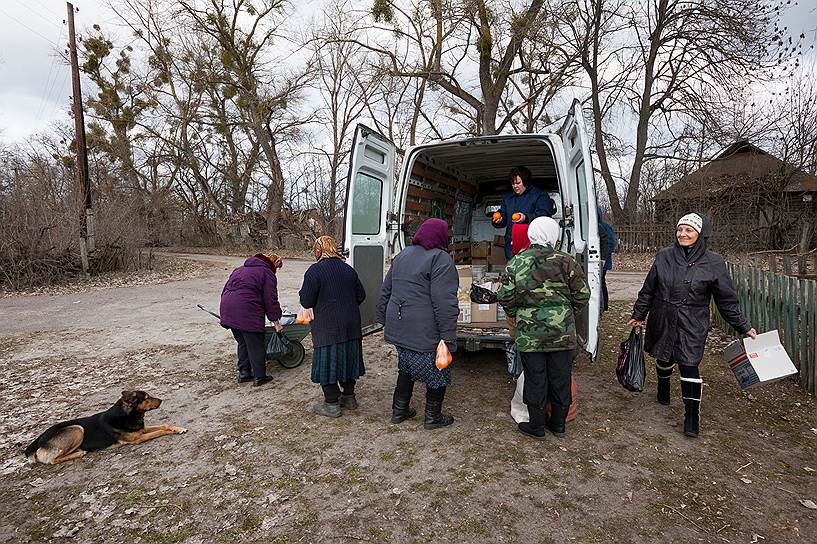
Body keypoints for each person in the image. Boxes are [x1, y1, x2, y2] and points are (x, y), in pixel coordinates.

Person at [627, 213, 757, 438]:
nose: (682, 234)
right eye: (680, 229)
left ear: (700, 234)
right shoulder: (664, 256)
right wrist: (639, 313)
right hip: (664, 315)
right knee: (664, 355)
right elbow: (649, 288)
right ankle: (663, 388)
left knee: (689, 364)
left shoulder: (714, 262)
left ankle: (691, 416)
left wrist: (743, 326)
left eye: (688, 230)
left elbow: (726, 300)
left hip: (692, 321)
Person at [497, 217, 590, 440]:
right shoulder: (566, 261)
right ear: (553, 235)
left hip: (530, 336)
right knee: (560, 377)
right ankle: (558, 425)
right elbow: (583, 295)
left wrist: (517, 314)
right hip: (562, 334)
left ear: (531, 234)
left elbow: (505, 296)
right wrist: (566, 314)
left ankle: (537, 426)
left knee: (535, 378)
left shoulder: (517, 262)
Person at [377, 218, 459, 430]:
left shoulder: (402, 255)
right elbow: (445, 302)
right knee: (438, 370)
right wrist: (447, 337)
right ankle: (433, 418)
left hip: (398, 324)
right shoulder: (441, 259)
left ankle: (399, 410)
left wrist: (382, 319)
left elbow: (386, 290)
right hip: (424, 328)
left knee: (405, 366)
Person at [299, 236, 367, 418]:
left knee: (327, 364)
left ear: (319, 250)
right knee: (348, 359)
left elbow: (306, 300)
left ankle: (331, 404)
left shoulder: (314, 271)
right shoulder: (348, 270)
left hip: (328, 327)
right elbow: (361, 295)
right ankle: (349, 397)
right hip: (351, 325)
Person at [219, 252, 283, 387]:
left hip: (228, 308)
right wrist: (276, 321)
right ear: (273, 263)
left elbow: (226, 289)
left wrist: (226, 314)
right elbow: (270, 300)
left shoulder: (239, 270)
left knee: (243, 342)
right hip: (246, 310)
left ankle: (244, 373)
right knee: (255, 343)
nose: (276, 271)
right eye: (277, 267)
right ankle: (259, 376)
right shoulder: (266, 273)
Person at [493, 166, 557, 259]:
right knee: (513, 270)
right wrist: (498, 220)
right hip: (511, 245)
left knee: (531, 271)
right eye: (513, 183)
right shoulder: (508, 199)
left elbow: (545, 215)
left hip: (532, 245)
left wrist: (526, 218)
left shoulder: (539, 195)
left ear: (525, 181)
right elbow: (503, 216)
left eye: (518, 183)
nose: (515, 186)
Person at [598, 208, 617, 311]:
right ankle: (603, 305)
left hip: (603, 260)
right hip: (602, 259)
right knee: (601, 282)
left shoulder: (604, 226)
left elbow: (611, 242)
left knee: (601, 282)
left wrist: (603, 256)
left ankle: (604, 305)